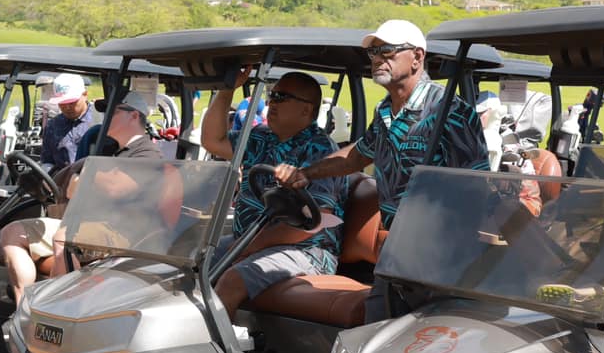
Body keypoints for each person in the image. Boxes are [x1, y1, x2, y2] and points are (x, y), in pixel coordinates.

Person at [282, 20, 490, 237]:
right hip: (397, 238)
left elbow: (476, 186)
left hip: (441, 240)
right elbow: (357, 156)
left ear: (417, 57)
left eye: (388, 51)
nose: (378, 59)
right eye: (373, 52)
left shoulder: (449, 111)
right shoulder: (384, 111)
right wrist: (306, 173)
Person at [0, 91, 165, 302]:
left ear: (134, 116)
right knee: (12, 232)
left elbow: (113, 188)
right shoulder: (112, 151)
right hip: (92, 223)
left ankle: (56, 308)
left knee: (64, 236)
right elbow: (75, 187)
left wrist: (84, 177)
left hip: (122, 234)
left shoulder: (147, 154)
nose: (106, 119)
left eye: (113, 113)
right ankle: (24, 305)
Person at [202, 69, 344, 314]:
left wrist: (248, 247)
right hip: (249, 240)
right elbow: (212, 141)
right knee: (193, 262)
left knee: (233, 279)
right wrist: (227, 90)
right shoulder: (260, 138)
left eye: (281, 97)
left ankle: (213, 348)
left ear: (306, 110)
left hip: (307, 250)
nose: (271, 103)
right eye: (271, 95)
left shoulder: (321, 150)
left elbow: (314, 221)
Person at [37, 74, 98, 169]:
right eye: (62, 103)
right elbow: (47, 160)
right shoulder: (53, 126)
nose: (67, 107)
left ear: (85, 95)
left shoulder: (100, 121)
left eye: (72, 102)